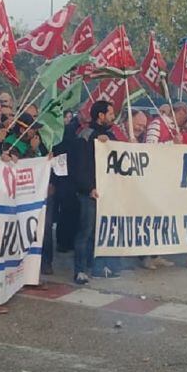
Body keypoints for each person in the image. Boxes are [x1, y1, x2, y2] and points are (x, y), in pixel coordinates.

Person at [68, 100, 121, 283]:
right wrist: (88, 188)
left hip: (106, 192)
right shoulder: (85, 135)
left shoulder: (110, 135)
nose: (113, 117)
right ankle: (80, 270)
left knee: (100, 232)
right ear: (101, 115)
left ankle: (97, 267)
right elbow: (79, 166)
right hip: (89, 193)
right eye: (111, 113)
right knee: (85, 231)